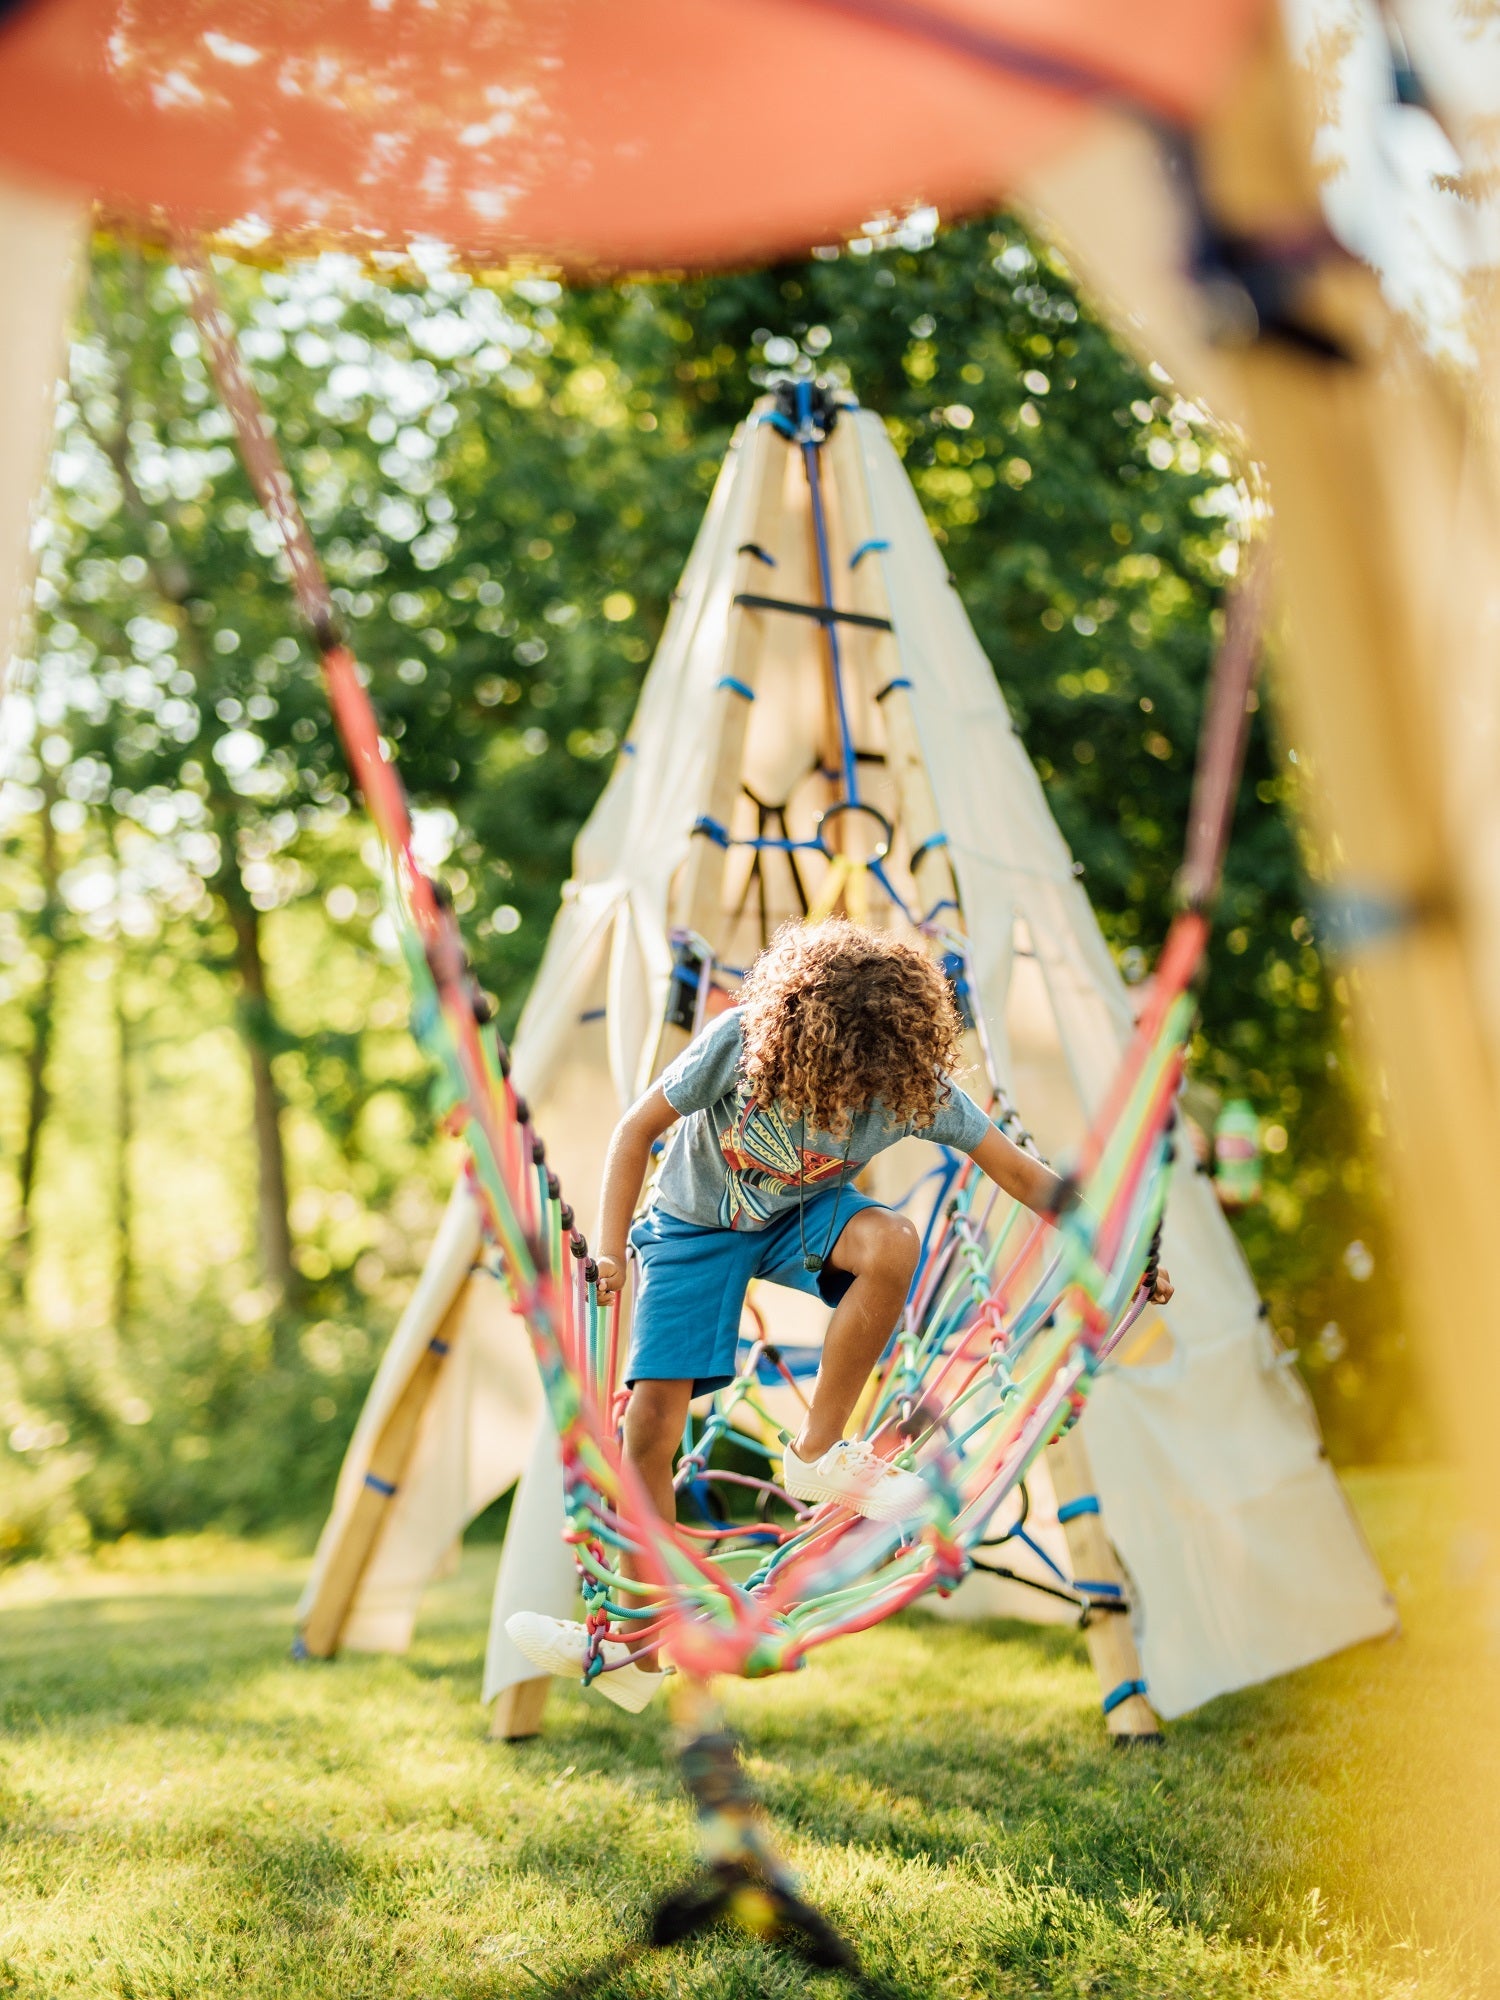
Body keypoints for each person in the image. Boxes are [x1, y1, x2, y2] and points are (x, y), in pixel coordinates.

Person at [509, 919, 1173, 1710]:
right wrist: (612, 1248)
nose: (846, 1103)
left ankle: (819, 1453)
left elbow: (1026, 1178)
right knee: (651, 1426)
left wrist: (1127, 1248)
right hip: (692, 1224)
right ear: (791, 1042)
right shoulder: (740, 1041)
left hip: (801, 1219)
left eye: (867, 1091)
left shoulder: (914, 1088)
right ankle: (633, 1655)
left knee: (892, 1240)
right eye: (829, 1082)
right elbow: (634, 1133)